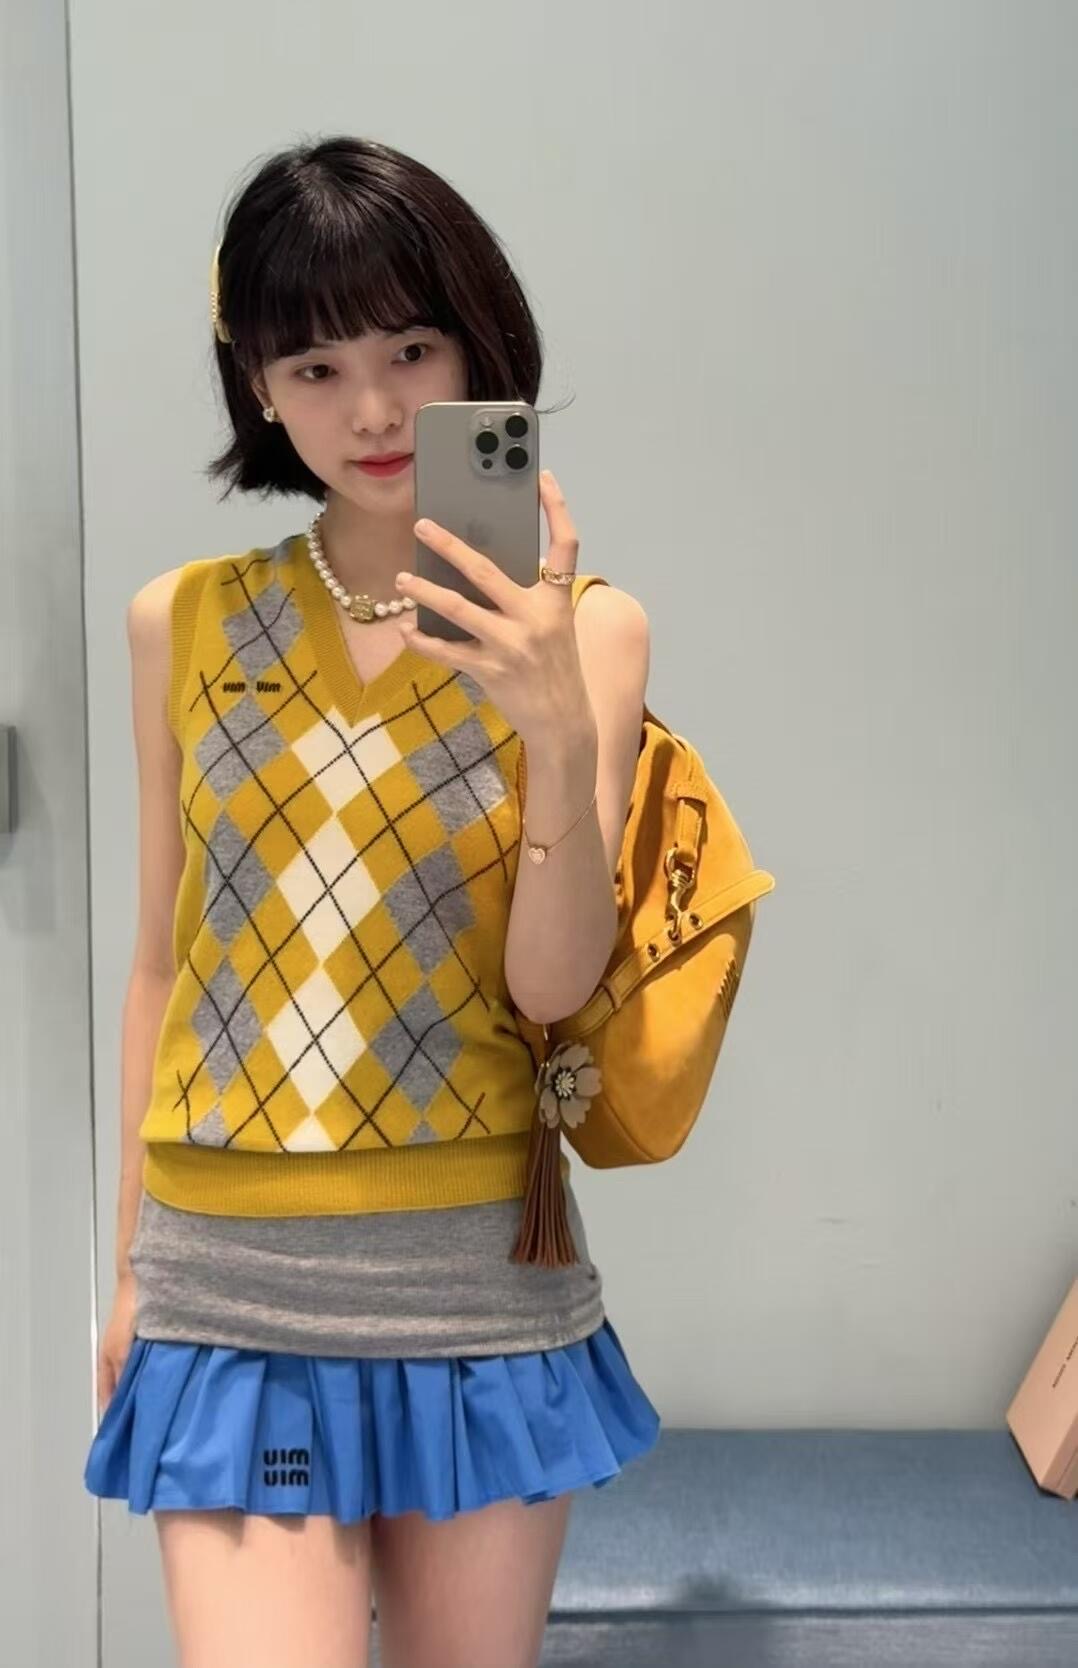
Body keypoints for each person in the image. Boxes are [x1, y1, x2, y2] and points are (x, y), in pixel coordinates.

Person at [83, 133, 659, 1668]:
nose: (376, 410)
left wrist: (552, 726)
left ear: (478, 346)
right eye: (317, 367)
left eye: (411, 349)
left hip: (474, 1279)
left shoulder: (587, 634)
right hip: (226, 1287)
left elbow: (551, 992)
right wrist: (128, 1267)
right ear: (258, 388)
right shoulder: (179, 621)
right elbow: (164, 965)